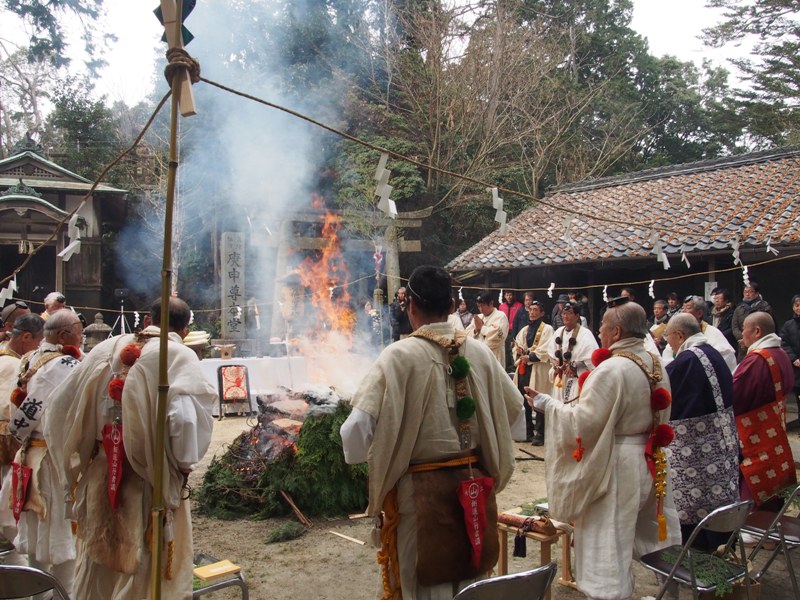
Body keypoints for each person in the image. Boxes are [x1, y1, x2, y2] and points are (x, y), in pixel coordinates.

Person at [340, 265, 522, 600]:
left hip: (419, 494)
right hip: (473, 484)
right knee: (470, 576)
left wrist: (362, 457)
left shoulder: (398, 356)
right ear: (452, 306)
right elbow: (515, 412)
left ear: (409, 305)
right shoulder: (479, 352)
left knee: (425, 584)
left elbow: (356, 432)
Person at [45, 297, 216, 599]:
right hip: (148, 481)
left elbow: (60, 404)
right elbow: (185, 423)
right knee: (143, 565)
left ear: (148, 320)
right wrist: (182, 465)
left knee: (100, 559)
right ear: (185, 329)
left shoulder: (105, 348)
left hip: (101, 471)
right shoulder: (177, 356)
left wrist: (80, 453)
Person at [525, 298, 680, 600]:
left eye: (605, 326)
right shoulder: (654, 361)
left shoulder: (612, 369)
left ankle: (608, 594)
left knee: (607, 538)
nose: (599, 330)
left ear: (618, 331)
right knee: (624, 532)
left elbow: (584, 420)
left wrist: (546, 404)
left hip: (616, 463)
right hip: (647, 458)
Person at [0, 309, 83, 595]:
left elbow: (16, 412)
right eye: (79, 333)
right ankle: (62, 593)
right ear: (63, 336)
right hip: (52, 459)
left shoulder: (27, 359)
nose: (82, 339)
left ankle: (39, 591)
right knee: (62, 535)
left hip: (26, 455)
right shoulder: (66, 364)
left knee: (36, 532)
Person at [662, 314, 739, 549]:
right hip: (722, 442)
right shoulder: (714, 353)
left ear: (680, 335)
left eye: (669, 339)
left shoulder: (686, 362)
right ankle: (722, 547)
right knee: (719, 500)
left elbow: (667, 401)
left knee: (694, 504)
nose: (669, 345)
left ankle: (697, 556)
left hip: (695, 450)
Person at [733, 311, 796, 506]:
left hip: (755, 432)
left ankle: (752, 526)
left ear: (757, 331)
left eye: (744, 329)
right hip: (774, 426)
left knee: (753, 480)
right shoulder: (780, 354)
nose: (742, 334)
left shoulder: (757, 359)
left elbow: (735, 395)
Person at [0, 313, 44, 562]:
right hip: (6, 443)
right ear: (26, 337)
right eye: (38, 341)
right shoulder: (13, 365)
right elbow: (11, 410)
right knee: (9, 512)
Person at [513, 301, 553, 445]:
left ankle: (541, 434)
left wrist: (529, 356)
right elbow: (517, 344)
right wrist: (518, 351)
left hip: (538, 368)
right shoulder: (524, 329)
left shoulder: (547, 329)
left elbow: (546, 348)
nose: (532, 312)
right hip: (524, 368)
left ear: (542, 313)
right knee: (524, 399)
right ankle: (527, 431)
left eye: (536, 310)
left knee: (539, 398)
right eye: (530, 310)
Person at [662, 295, 737, 373]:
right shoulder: (677, 334)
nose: (683, 311)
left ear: (699, 313)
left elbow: (726, 358)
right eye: (682, 308)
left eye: (687, 308)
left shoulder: (713, 333)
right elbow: (667, 357)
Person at [546, 300, 597, 403]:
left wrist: (576, 364)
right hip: (560, 378)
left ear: (577, 316)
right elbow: (551, 354)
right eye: (564, 314)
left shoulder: (585, 334)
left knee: (572, 406)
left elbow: (591, 360)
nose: (565, 316)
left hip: (575, 379)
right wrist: (555, 363)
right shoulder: (558, 332)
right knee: (558, 405)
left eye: (569, 313)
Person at [731, 282, 773, 361]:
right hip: (742, 344)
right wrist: (743, 338)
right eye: (745, 292)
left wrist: (752, 339)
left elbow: (765, 326)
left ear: (757, 293)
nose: (747, 294)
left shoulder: (764, 307)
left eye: (750, 291)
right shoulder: (739, 308)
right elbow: (735, 327)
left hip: (759, 342)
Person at [466, 291, 509, 366]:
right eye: (478, 306)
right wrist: (475, 330)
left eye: (483, 305)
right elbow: (466, 335)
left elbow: (497, 337)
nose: (481, 309)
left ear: (491, 303)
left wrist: (482, 328)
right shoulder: (478, 317)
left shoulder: (500, 316)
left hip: (494, 357)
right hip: (477, 358)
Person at [779, 294, 800, 412]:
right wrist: (794, 359)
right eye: (796, 305)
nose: (799, 308)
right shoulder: (788, 325)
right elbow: (783, 343)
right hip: (796, 366)